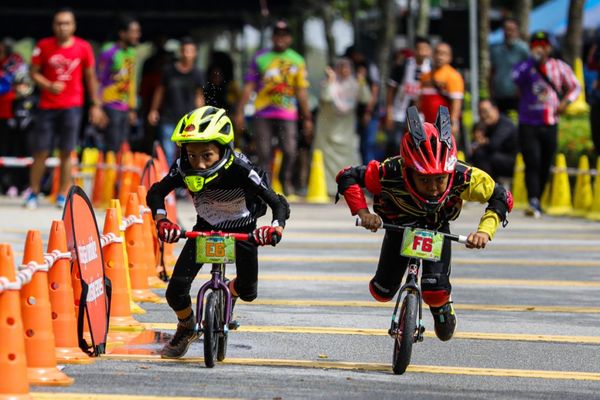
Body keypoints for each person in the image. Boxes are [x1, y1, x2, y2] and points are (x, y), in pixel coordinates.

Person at [336, 105, 512, 342]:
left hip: (436, 229)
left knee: (435, 293)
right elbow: (347, 176)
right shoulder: (390, 171)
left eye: (440, 179)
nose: (433, 188)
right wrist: (363, 212)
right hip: (399, 226)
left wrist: (484, 231)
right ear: (408, 170)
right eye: (424, 180)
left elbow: (501, 196)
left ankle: (442, 307)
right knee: (381, 291)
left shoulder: (464, 176)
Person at [146, 106, 290, 359]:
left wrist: (274, 228)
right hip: (205, 230)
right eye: (192, 155)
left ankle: (230, 293)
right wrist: (162, 221)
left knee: (249, 291)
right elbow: (156, 193)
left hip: (243, 231)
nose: (199, 163)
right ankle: (186, 326)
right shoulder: (183, 167)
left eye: (207, 155)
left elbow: (278, 203)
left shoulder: (242, 169)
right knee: (175, 292)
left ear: (224, 149)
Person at [26, 7, 105, 209]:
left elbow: (90, 77)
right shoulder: (43, 46)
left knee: (67, 152)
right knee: (41, 151)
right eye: (59, 23)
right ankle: (33, 193)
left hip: (73, 106)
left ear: (74, 26)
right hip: (47, 106)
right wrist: (48, 85)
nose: (63, 27)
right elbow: (33, 72)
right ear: (54, 26)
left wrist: (96, 104)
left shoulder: (83, 47)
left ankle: (62, 195)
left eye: (67, 23)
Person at [234, 20, 313, 196]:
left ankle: (285, 179)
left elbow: (301, 91)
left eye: (284, 35)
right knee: (264, 152)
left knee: (290, 150)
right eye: (277, 35)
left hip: (287, 113)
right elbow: (249, 86)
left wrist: (307, 118)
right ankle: (265, 187)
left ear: (290, 38)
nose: (280, 38)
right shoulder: (260, 58)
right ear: (272, 37)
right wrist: (239, 111)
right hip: (263, 112)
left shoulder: (297, 60)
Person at [512, 31, 580, 218]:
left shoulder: (559, 67)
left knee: (545, 162)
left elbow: (576, 86)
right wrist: (532, 63)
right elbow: (515, 79)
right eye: (536, 44)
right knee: (532, 161)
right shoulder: (524, 66)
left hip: (550, 122)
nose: (540, 48)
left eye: (543, 44)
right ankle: (533, 199)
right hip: (528, 122)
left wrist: (566, 102)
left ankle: (538, 198)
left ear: (550, 47)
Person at [314, 58, 370, 196]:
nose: (344, 71)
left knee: (349, 163)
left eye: (347, 68)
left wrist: (362, 81)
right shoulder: (329, 83)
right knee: (326, 163)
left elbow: (366, 98)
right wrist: (330, 80)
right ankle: (330, 190)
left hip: (346, 132)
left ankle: (349, 188)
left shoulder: (354, 84)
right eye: (341, 68)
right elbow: (326, 97)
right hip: (328, 132)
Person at [148, 37, 204, 165]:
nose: (187, 54)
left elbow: (199, 96)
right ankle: (168, 176)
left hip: (189, 120)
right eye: (184, 51)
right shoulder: (169, 71)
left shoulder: (198, 73)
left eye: (190, 51)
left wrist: (201, 116)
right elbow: (160, 91)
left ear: (195, 53)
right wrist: (153, 110)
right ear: (180, 52)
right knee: (168, 153)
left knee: (188, 153)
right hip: (168, 118)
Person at [97, 15, 141, 153]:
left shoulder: (132, 53)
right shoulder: (109, 51)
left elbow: (132, 82)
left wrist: (132, 108)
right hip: (110, 105)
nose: (137, 35)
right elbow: (98, 80)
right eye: (133, 31)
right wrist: (98, 108)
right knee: (111, 148)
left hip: (125, 108)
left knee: (123, 147)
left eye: (138, 31)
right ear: (122, 33)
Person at [385, 37, 432, 158]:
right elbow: (391, 89)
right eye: (419, 49)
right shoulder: (403, 65)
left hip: (419, 114)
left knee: (418, 144)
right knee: (395, 143)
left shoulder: (431, 68)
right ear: (414, 50)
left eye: (425, 49)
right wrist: (389, 111)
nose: (422, 52)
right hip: (399, 110)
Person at [419, 42, 464, 144]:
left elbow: (456, 102)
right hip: (427, 125)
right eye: (437, 53)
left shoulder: (453, 76)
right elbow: (420, 99)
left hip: (444, 126)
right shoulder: (425, 76)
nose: (440, 56)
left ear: (450, 57)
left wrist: (453, 123)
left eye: (444, 54)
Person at [0, 37, 27, 196]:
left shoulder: (16, 60)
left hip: (13, 112)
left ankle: (15, 184)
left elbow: (22, 82)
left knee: (14, 151)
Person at [469, 99, 518, 181]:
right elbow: (475, 143)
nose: (483, 115)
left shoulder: (505, 124)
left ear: (495, 109)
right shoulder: (485, 125)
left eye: (485, 111)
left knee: (481, 155)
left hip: (512, 161)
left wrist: (482, 142)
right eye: (480, 112)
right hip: (495, 158)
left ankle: (489, 184)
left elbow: (494, 144)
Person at [489, 18, 529, 114]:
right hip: (499, 95)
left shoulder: (523, 49)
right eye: (506, 29)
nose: (509, 33)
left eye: (512, 30)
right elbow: (492, 71)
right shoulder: (495, 49)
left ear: (517, 31)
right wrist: (490, 90)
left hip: (517, 96)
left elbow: (528, 71)